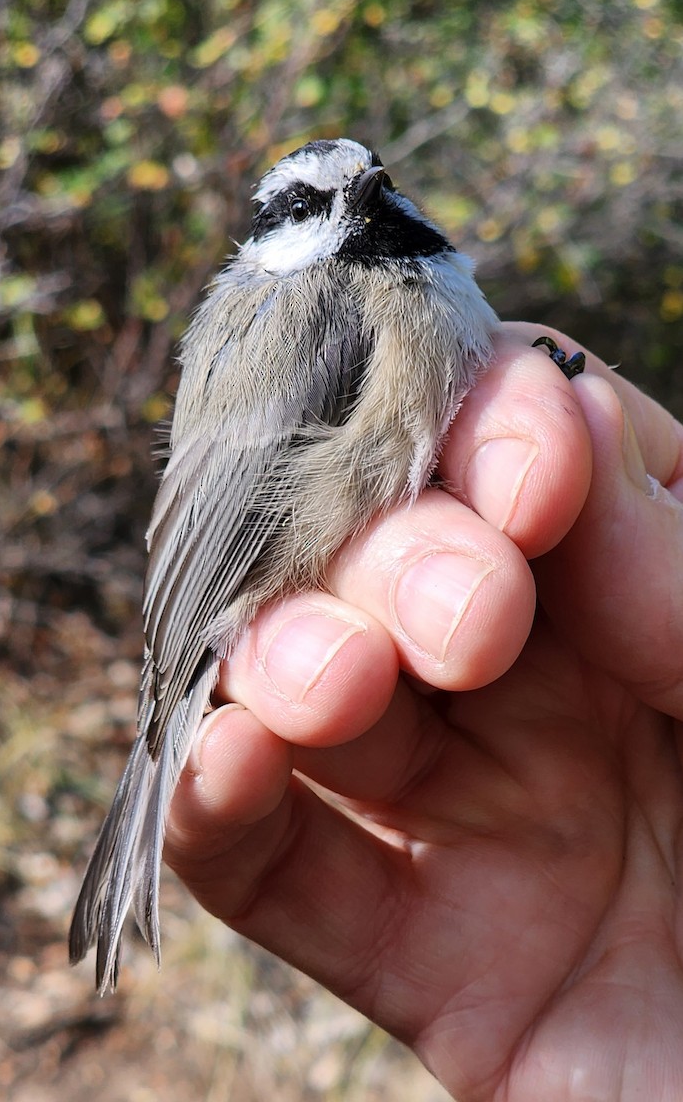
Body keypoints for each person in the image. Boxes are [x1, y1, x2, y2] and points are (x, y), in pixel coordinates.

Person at [163, 322, 683, 1101]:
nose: (358, 202)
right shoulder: (329, 308)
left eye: (373, 192)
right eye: (310, 204)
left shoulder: (400, 298)